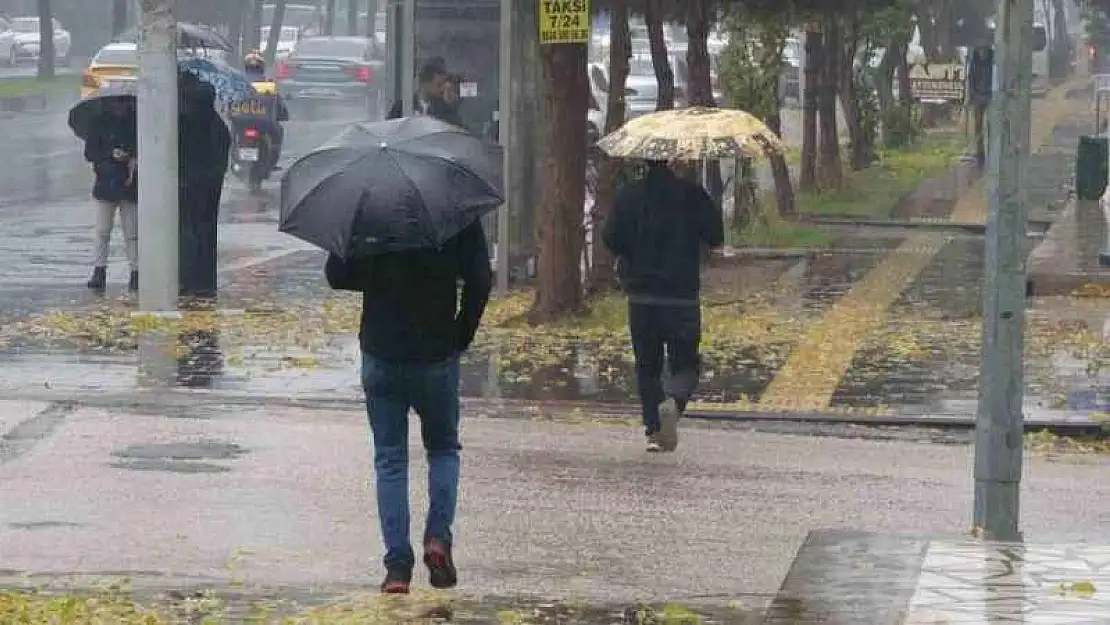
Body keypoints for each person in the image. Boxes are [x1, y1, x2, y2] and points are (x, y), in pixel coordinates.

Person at [324, 220, 492, 594]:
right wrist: (461, 332)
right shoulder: (454, 209)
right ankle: (437, 537)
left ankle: (398, 567)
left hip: (382, 351)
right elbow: (481, 278)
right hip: (435, 353)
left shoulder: (373, 207)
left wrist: (375, 267)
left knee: (390, 459)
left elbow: (337, 274)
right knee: (444, 448)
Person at [601, 160, 723, 453]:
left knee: (647, 366)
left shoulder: (629, 196)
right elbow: (716, 237)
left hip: (642, 297)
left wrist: (633, 250)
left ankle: (654, 430)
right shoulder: (692, 194)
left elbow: (611, 238)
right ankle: (674, 398)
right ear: (675, 162)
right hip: (682, 296)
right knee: (686, 363)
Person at [178, 71, 231, 301]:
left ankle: (188, 279)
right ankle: (205, 282)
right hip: (211, 188)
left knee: (188, 232)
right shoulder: (218, 125)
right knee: (206, 233)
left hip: (189, 186)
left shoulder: (185, 123)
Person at [84, 96, 138, 292]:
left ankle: (136, 271)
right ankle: (99, 270)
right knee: (102, 231)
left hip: (130, 184)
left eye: (124, 103)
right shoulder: (98, 123)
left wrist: (132, 157)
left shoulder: (136, 122)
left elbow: (144, 147)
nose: (121, 107)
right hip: (106, 183)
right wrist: (110, 154)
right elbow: (90, 153)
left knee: (132, 232)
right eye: (117, 103)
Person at [241, 50, 289, 167]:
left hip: (240, 123)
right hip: (265, 124)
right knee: (278, 132)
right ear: (262, 67)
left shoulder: (237, 81)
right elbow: (279, 105)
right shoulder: (269, 84)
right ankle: (272, 162)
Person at [387, 57, 460, 126]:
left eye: (444, 83)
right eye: (439, 84)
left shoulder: (444, 108)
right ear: (425, 84)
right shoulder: (402, 107)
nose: (443, 89)